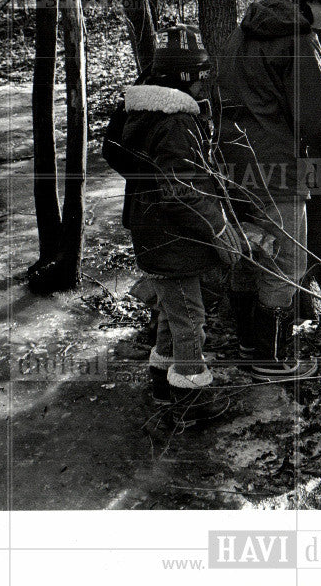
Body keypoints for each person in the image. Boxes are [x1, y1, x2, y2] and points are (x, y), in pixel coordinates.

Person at [217, 0, 321, 382]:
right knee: (287, 263)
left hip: (230, 163)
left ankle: (247, 343)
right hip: (276, 167)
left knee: (249, 254)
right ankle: (272, 359)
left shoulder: (242, 31)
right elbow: (315, 119)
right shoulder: (298, 38)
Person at [103, 25, 244, 428]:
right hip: (172, 237)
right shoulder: (176, 122)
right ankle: (190, 399)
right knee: (189, 319)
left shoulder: (142, 112)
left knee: (171, 310)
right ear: (184, 78)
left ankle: (162, 380)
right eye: (201, 75)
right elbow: (180, 190)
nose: (206, 84)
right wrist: (217, 226)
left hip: (154, 233)